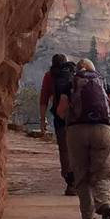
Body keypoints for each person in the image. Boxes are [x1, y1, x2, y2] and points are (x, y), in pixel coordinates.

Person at [53, 59, 110, 219]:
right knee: (103, 171)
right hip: (103, 130)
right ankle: (105, 203)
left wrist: (72, 118)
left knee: (81, 174)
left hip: (76, 131)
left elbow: (60, 111)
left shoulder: (70, 83)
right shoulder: (104, 82)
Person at [40, 53, 79, 196]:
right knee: (77, 150)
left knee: (64, 150)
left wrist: (42, 120)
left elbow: (43, 99)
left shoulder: (49, 76)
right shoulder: (74, 74)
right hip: (77, 119)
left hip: (60, 119)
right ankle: (81, 179)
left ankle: (70, 182)